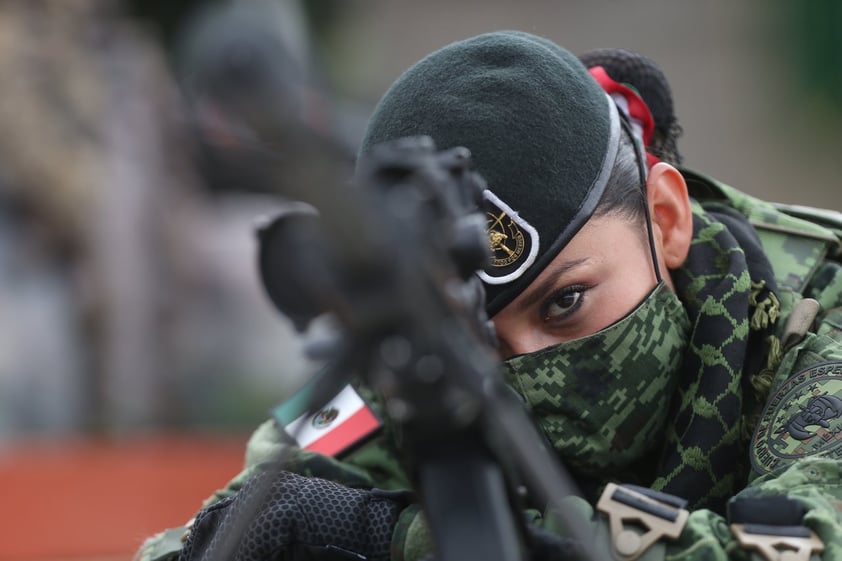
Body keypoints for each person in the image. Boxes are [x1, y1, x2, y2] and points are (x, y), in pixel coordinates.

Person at [137, 31, 842, 561]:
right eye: (484, 335)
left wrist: (397, 535)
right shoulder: (400, 356)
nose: (531, 362)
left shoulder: (821, 317)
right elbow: (224, 524)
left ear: (666, 219)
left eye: (565, 302)